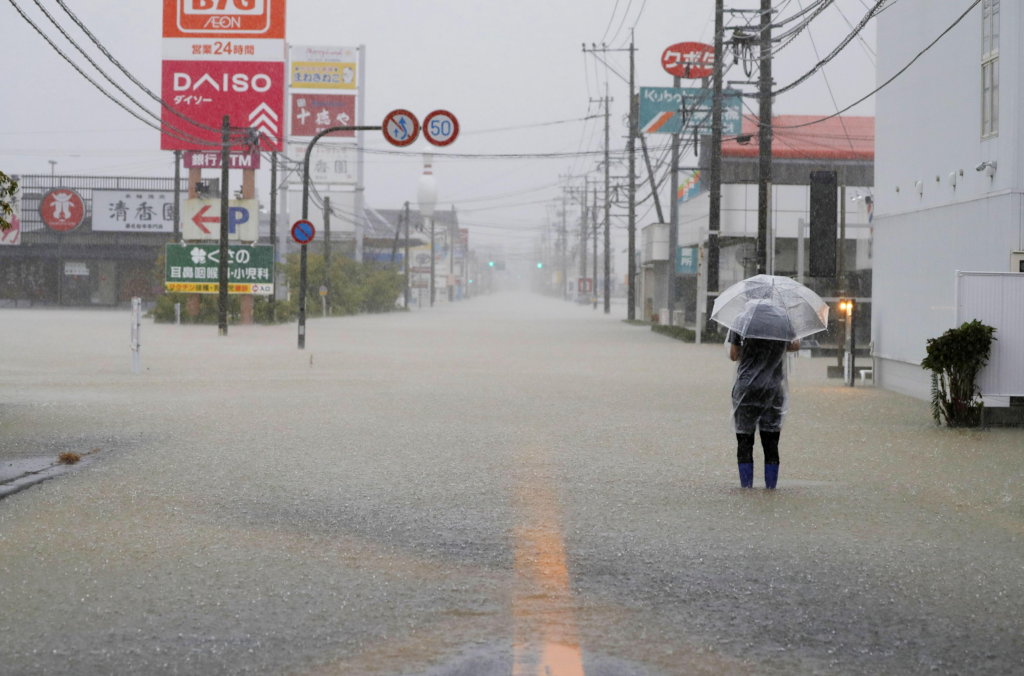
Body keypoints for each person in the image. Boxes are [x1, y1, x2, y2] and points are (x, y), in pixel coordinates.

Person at [728, 329, 800, 489]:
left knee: (745, 442)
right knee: (771, 444)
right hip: (773, 389)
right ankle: (770, 490)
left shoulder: (742, 321)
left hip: (746, 390)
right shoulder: (782, 321)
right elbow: (795, 346)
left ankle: (746, 489)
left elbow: (733, 355)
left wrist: (750, 350)